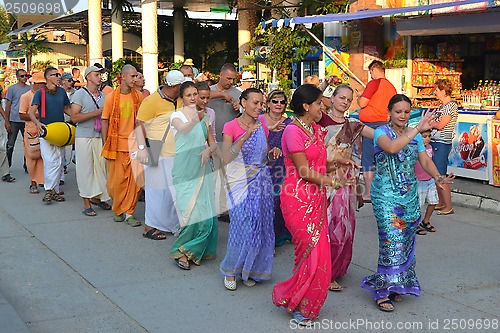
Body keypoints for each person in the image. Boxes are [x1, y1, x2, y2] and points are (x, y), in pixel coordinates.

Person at [360, 94, 454, 312]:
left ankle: (396, 284)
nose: (403, 115)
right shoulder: (382, 133)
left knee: (403, 239)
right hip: (386, 198)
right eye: (398, 111)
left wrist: (438, 177)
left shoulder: (416, 135)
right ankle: (382, 290)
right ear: (389, 113)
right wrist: (417, 129)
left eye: (406, 111)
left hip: (409, 198)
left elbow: (425, 160)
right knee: (391, 240)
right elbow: (392, 148)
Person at [272, 84, 350, 327]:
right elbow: (304, 171)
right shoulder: (292, 132)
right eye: (319, 103)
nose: (322, 106)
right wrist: (334, 181)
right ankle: (296, 301)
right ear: (306, 106)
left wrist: (338, 162)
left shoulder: (315, 129)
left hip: (315, 197)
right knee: (310, 254)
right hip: (297, 198)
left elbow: (318, 164)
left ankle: (302, 301)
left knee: (319, 254)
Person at [220, 88, 280, 290]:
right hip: (239, 182)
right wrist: (244, 137)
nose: (258, 107)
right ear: (243, 102)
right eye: (254, 103)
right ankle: (230, 270)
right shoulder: (230, 126)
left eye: (261, 104)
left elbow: (263, 159)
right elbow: (226, 158)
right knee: (240, 225)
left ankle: (249, 269)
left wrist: (272, 155)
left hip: (261, 182)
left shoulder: (262, 125)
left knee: (258, 226)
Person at [318, 84, 374, 292]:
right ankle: (324, 271)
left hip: (346, 181)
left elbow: (369, 144)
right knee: (324, 228)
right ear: (331, 98)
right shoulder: (319, 120)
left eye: (348, 99)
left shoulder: (354, 125)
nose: (344, 101)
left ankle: (336, 268)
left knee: (342, 227)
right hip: (322, 179)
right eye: (341, 97)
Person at [169, 81, 218, 269]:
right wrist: (196, 118)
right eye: (189, 95)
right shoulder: (176, 116)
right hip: (184, 170)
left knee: (205, 213)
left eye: (195, 94)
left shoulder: (205, 118)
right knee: (189, 212)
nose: (193, 98)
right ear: (182, 98)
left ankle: (193, 250)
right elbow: (184, 130)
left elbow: (212, 142)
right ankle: (183, 250)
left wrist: (208, 150)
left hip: (202, 168)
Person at [135, 70, 185, 239]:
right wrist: (142, 149)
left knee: (171, 193)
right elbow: (139, 125)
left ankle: (170, 225)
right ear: (173, 87)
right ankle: (149, 227)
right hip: (156, 150)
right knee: (155, 192)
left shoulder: (180, 100)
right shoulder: (151, 101)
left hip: (176, 153)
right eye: (180, 86)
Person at [102, 64, 144, 226]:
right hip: (116, 146)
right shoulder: (111, 97)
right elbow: (105, 120)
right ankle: (118, 208)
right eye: (132, 76)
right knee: (115, 182)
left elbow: (141, 122)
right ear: (123, 77)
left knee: (135, 182)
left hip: (134, 145)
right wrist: (106, 141)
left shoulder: (139, 97)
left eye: (136, 76)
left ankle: (129, 213)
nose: (135, 79)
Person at [71, 65, 111, 217]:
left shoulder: (105, 96)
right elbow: (74, 117)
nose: (99, 77)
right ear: (88, 77)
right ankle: (86, 203)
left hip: (100, 136)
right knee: (85, 170)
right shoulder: (80, 94)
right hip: (84, 136)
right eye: (96, 74)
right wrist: (97, 113)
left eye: (100, 75)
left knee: (101, 169)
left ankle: (98, 198)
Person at [28, 67, 71, 203]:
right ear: (47, 78)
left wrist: (78, 116)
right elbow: (31, 111)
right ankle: (48, 190)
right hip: (46, 131)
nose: (58, 76)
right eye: (54, 75)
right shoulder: (40, 93)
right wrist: (37, 123)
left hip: (60, 132)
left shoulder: (62, 92)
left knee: (59, 161)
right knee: (49, 161)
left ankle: (55, 190)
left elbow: (67, 109)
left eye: (58, 74)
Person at [356, 60, 397, 202]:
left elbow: (362, 103)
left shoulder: (374, 83)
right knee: (383, 158)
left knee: (368, 158)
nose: (370, 75)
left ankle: (368, 192)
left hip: (371, 124)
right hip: (386, 124)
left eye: (371, 72)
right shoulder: (391, 87)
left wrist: (358, 97)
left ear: (374, 70)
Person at [207, 63, 242, 221]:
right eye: (228, 78)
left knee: (229, 176)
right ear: (220, 74)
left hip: (231, 143)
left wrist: (238, 108)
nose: (230, 82)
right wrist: (222, 95)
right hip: (213, 140)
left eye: (233, 79)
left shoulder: (238, 93)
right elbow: (201, 94)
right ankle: (215, 208)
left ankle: (226, 209)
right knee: (215, 176)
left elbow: (244, 115)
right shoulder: (209, 90)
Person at [258, 89, 292, 247]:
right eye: (275, 101)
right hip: (262, 165)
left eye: (282, 102)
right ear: (268, 103)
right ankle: (263, 236)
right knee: (264, 202)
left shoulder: (290, 122)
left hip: (282, 166)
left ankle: (277, 235)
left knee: (279, 201)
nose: (278, 104)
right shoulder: (259, 120)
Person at [430, 78, 458, 216]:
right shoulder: (442, 106)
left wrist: (431, 123)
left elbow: (441, 124)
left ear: (443, 91)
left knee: (441, 174)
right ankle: (441, 202)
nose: (435, 92)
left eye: (436, 90)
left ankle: (448, 206)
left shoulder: (451, 106)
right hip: (436, 141)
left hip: (442, 143)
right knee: (436, 173)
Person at [18, 73, 46, 193]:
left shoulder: (46, 96)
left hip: (45, 131)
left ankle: (44, 182)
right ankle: (33, 182)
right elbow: (21, 115)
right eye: (40, 84)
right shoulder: (26, 96)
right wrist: (36, 116)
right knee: (32, 158)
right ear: (35, 84)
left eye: (43, 84)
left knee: (45, 158)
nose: (42, 86)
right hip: (31, 132)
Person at [414, 129, 438, 235]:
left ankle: (425, 221)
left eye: (429, 136)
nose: (427, 138)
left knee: (433, 201)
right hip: (419, 180)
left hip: (430, 179)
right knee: (418, 205)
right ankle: (415, 225)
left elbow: (429, 163)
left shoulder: (430, 148)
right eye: (424, 136)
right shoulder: (414, 149)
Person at [5, 69, 31, 169]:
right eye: (22, 76)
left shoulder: (30, 88)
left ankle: (27, 165)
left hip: (26, 119)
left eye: (26, 76)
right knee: (10, 144)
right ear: (17, 77)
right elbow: (8, 105)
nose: (24, 78)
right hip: (14, 120)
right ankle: (7, 165)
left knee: (27, 144)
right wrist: (7, 121)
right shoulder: (12, 89)